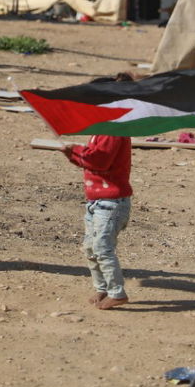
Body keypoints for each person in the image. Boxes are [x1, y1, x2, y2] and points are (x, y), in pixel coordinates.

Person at [61, 73, 137, 310]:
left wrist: (75, 152)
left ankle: (117, 291)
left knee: (103, 247)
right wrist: (74, 154)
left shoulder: (113, 129)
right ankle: (102, 288)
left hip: (112, 202)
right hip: (97, 201)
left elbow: (100, 160)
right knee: (90, 247)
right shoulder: (103, 128)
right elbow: (94, 159)